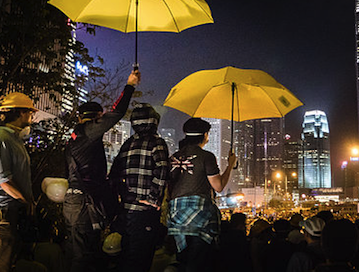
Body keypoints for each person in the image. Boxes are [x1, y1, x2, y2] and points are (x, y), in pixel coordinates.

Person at [63, 69, 140, 272]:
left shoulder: (72, 140)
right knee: (84, 257)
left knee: (78, 252)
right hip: (84, 205)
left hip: (72, 201)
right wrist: (129, 85)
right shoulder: (87, 133)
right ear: (95, 117)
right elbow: (116, 113)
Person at [167, 118, 237, 272]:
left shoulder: (173, 157)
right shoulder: (206, 156)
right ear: (205, 135)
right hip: (200, 216)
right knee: (198, 262)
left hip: (176, 216)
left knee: (183, 260)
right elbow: (218, 186)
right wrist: (230, 165)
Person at [108, 103, 169, 272]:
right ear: (154, 122)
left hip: (126, 212)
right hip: (145, 212)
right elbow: (162, 170)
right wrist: (153, 199)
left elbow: (114, 175)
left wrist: (124, 197)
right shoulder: (157, 142)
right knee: (141, 259)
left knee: (127, 257)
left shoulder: (127, 144)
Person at [0, 92, 38, 272]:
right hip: (0, 213)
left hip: (10, 210)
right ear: (21, 112)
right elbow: (3, 181)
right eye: (30, 112)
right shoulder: (1, 141)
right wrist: (26, 201)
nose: (32, 115)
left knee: (9, 264)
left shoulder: (14, 140)